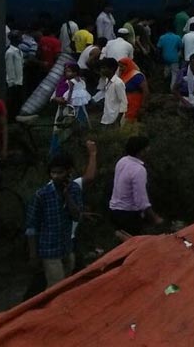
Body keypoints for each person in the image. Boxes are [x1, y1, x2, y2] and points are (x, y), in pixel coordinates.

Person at [25, 153, 82, 288]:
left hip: (66, 246)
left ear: (69, 172)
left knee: (67, 284)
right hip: (49, 248)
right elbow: (31, 226)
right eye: (53, 173)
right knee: (56, 286)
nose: (56, 176)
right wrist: (33, 254)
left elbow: (76, 216)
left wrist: (67, 196)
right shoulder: (42, 195)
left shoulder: (74, 189)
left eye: (60, 173)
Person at [109, 136, 163, 236]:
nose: (149, 150)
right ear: (141, 151)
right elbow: (141, 201)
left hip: (114, 211)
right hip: (128, 215)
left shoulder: (122, 161)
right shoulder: (139, 170)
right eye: (147, 148)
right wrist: (155, 218)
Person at [173, 53, 194, 119]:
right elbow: (174, 89)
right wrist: (184, 101)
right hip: (185, 101)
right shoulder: (183, 72)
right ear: (189, 62)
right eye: (193, 64)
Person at [96, 58, 127, 128]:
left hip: (115, 118)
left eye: (104, 68)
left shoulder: (118, 83)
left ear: (112, 69)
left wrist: (118, 120)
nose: (102, 70)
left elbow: (124, 102)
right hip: (107, 117)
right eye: (101, 68)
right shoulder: (107, 80)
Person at [118, 58, 149, 122]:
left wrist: (143, 106)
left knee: (129, 123)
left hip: (135, 103)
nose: (120, 69)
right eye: (119, 66)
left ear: (128, 65)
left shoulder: (137, 76)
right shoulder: (123, 75)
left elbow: (145, 91)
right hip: (126, 103)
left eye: (122, 66)